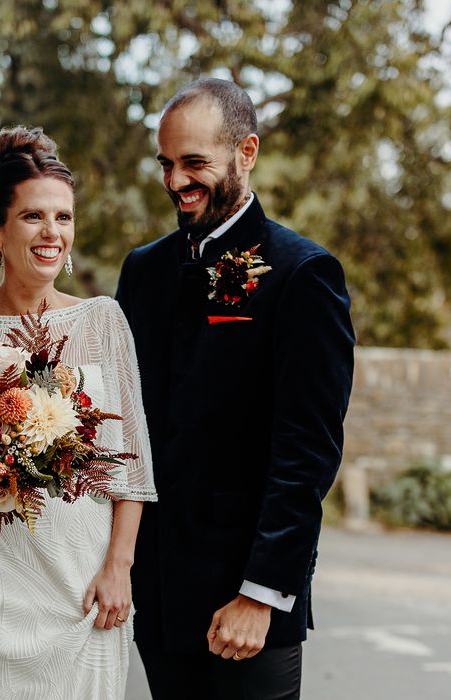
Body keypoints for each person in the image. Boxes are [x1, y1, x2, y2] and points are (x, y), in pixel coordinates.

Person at [115, 78, 355, 698]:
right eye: (166, 163)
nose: (175, 181)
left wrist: (262, 594)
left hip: (246, 607)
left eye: (194, 163)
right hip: (156, 600)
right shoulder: (142, 271)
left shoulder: (304, 274)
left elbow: (307, 452)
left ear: (246, 153)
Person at [0, 126, 157, 699]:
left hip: (85, 582)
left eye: (64, 217)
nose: (53, 233)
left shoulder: (103, 322)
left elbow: (134, 467)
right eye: (33, 217)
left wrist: (119, 566)